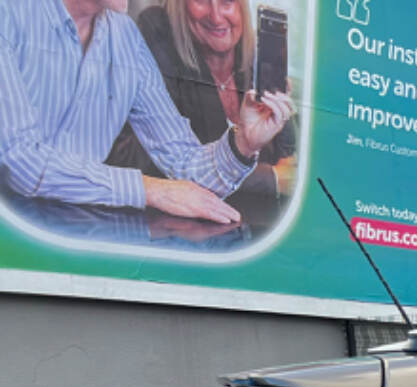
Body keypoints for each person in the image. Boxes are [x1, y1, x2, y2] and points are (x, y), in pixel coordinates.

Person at [0, 0, 292, 223]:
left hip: (82, 242)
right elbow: (19, 161)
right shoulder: (9, 14)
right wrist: (149, 189)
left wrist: (244, 142)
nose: (216, 15)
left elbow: (184, 162)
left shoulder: (125, 34)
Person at [108, 0, 297, 197]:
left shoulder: (256, 59)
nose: (216, 17)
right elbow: (167, 164)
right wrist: (272, 178)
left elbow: (291, 158)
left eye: (227, 2)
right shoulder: (159, 36)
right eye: (201, 1)